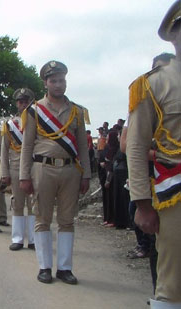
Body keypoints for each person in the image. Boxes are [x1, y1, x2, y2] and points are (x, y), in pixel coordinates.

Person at [127, 2, 181, 306]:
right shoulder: (152, 84)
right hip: (176, 196)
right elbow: (135, 146)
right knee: (172, 282)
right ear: (172, 35)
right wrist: (142, 204)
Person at [20, 61, 91, 285]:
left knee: (67, 220)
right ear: (45, 83)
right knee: (42, 218)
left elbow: (82, 146)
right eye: (54, 80)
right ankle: (44, 267)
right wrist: (24, 175)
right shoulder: (34, 110)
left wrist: (86, 174)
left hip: (70, 169)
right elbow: (27, 145)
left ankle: (65, 268)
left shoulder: (77, 111)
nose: (58, 84)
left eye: (61, 80)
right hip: (43, 169)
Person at [1, 88, 36, 250]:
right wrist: (5, 173)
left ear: (31, 102)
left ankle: (34, 239)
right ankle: (17, 238)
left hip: (35, 166)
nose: (22, 104)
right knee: (18, 203)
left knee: (34, 204)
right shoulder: (10, 124)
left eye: (25, 101)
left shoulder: (38, 120)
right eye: (20, 101)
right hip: (15, 167)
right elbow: (4, 149)